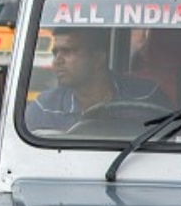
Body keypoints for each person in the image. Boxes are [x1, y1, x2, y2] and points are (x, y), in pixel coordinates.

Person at [25, 27, 171, 133]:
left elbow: (173, 145)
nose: (57, 61)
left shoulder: (146, 96)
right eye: (55, 53)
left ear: (98, 58)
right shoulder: (45, 108)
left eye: (68, 51)